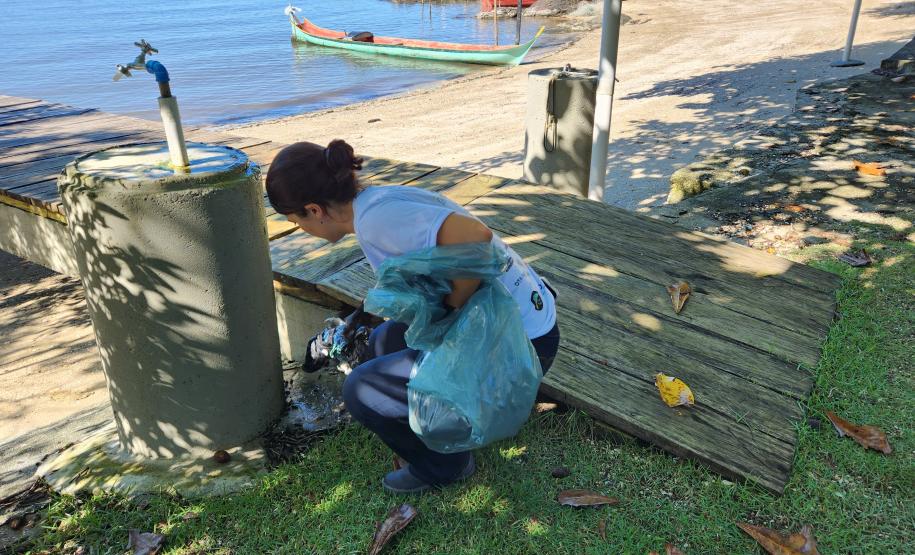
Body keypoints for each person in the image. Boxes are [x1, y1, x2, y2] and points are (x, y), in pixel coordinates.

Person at [266, 139, 560, 494]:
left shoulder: (377, 220)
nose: (300, 228)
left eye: (295, 220)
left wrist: (451, 307)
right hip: (524, 329)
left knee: (361, 388)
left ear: (314, 209)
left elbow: (478, 239)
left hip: (521, 348)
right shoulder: (373, 204)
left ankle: (446, 464)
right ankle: (441, 429)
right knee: (383, 341)